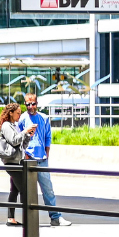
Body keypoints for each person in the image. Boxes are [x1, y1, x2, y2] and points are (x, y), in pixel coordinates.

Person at [19, 92, 73, 226]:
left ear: (37, 104)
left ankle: (55, 217)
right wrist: (24, 154)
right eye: (28, 104)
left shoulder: (44, 118)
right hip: (28, 159)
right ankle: (29, 220)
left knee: (48, 190)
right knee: (27, 192)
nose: (30, 106)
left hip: (42, 159)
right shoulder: (22, 119)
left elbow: (48, 136)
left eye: (33, 104)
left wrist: (47, 152)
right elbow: (17, 138)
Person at [0, 103, 35, 226]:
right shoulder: (6, 125)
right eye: (18, 113)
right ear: (11, 113)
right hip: (11, 162)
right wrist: (24, 131)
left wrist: (28, 135)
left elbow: (21, 145)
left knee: (14, 190)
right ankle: (28, 218)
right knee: (24, 189)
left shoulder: (14, 126)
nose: (19, 115)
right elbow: (13, 140)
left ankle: (10, 218)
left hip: (17, 160)